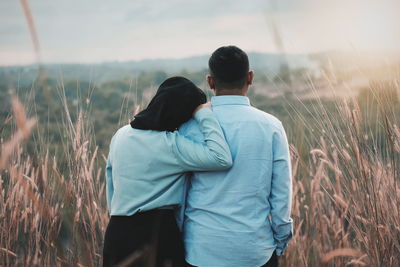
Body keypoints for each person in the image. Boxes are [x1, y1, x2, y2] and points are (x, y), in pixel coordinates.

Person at [180, 46, 293, 267]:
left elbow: (180, 192)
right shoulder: (271, 126)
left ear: (210, 81)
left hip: (201, 250)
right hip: (254, 251)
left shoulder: (189, 127)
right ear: (250, 77)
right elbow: (281, 192)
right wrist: (280, 241)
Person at [103, 76, 233, 267]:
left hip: (117, 231)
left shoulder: (121, 135)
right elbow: (221, 158)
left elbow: (111, 183)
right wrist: (204, 115)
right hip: (158, 232)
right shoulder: (171, 144)